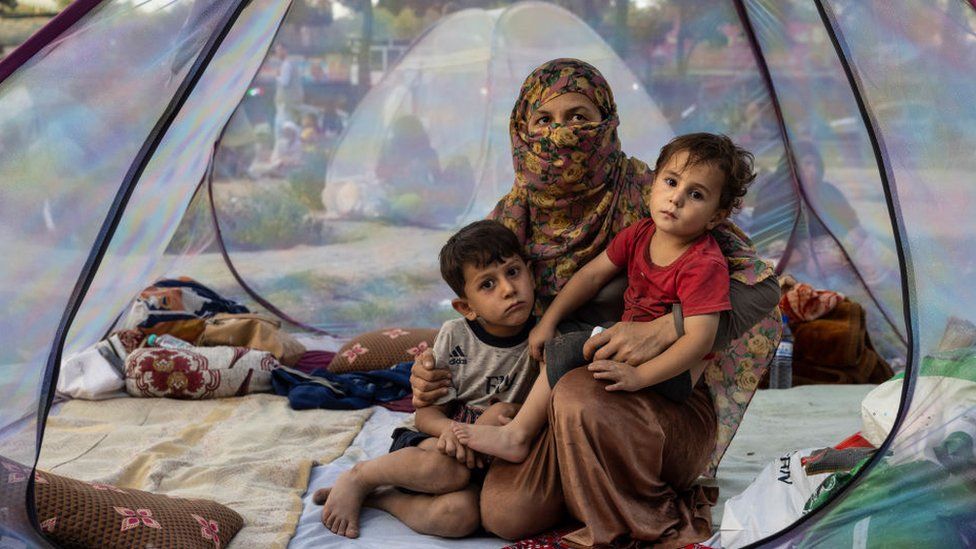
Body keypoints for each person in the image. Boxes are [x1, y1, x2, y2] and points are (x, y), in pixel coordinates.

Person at [411, 58, 781, 547]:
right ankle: (581, 484)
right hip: (552, 401)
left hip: (654, 402)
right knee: (504, 514)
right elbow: (483, 312)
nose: (563, 134)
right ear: (522, 129)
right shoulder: (511, 217)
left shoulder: (654, 198)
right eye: (545, 120)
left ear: (606, 122)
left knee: (577, 390)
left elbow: (763, 288)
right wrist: (430, 372)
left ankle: (622, 508)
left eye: (579, 116)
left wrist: (664, 328)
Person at [454, 133, 754, 464]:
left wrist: (641, 376)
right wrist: (549, 321)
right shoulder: (641, 234)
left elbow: (700, 340)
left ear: (715, 216)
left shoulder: (702, 263)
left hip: (672, 371)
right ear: (654, 183)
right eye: (671, 182)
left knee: (567, 348)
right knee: (563, 330)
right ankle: (529, 417)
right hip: (630, 338)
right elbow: (591, 276)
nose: (676, 199)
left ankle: (518, 435)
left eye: (695, 194)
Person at [313, 220, 539, 539]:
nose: (508, 289)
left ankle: (383, 498)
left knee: (458, 516)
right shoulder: (456, 336)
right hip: (432, 445)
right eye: (488, 284)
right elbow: (426, 413)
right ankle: (360, 477)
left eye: (513, 272)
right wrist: (454, 433)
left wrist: (483, 430)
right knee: (448, 469)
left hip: (488, 459)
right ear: (467, 307)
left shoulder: (544, 338)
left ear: (530, 273)